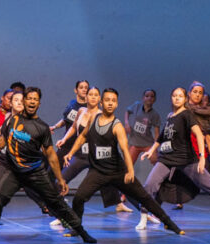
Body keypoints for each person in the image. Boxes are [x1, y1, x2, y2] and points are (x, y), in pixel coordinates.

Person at [0, 87, 96, 244]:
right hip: (14, 171)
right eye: (29, 98)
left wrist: (60, 179)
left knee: (56, 202)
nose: (32, 101)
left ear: (39, 103)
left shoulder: (41, 127)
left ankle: (82, 232)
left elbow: (51, 156)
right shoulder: (12, 120)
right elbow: (5, 139)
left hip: (35, 171)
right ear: (25, 101)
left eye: (35, 99)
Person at [64, 88, 183, 234]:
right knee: (79, 197)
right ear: (101, 103)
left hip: (117, 172)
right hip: (98, 171)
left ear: (117, 104)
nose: (110, 103)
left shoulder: (117, 126)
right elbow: (82, 136)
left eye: (113, 101)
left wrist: (130, 171)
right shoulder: (92, 119)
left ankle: (168, 222)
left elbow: (125, 150)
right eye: (107, 100)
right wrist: (70, 153)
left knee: (144, 198)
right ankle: (77, 228)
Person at [141, 88, 210, 229]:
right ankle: (143, 219)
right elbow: (162, 136)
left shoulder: (187, 114)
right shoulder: (170, 115)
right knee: (150, 185)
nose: (176, 98)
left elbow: (199, 135)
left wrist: (201, 158)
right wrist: (151, 151)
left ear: (185, 99)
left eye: (180, 96)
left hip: (187, 160)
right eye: (174, 96)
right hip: (167, 159)